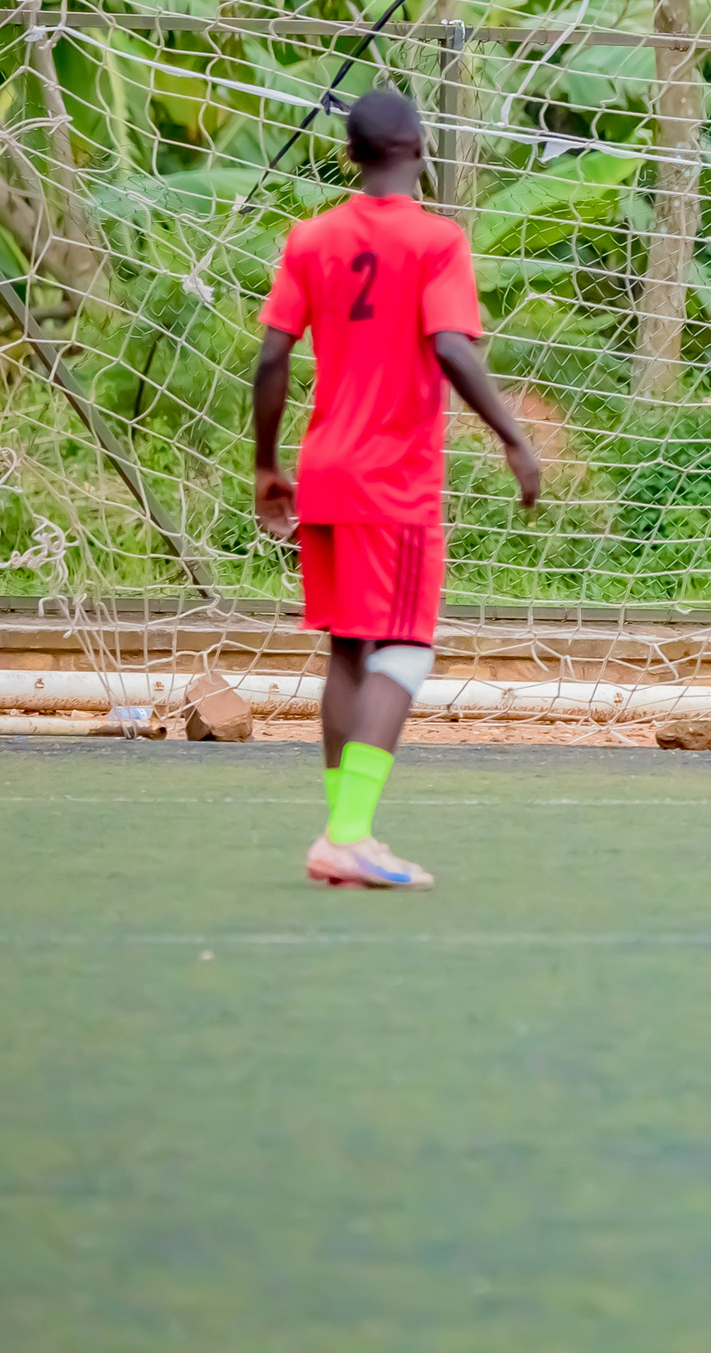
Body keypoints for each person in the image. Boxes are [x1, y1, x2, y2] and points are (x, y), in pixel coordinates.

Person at [252, 87, 542, 890]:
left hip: (324, 471)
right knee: (406, 651)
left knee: (349, 650)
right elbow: (449, 344)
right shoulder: (437, 240)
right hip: (394, 483)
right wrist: (514, 437)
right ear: (420, 148)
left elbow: (272, 357)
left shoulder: (311, 238)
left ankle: (343, 836)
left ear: (350, 155)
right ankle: (347, 835)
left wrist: (266, 465)